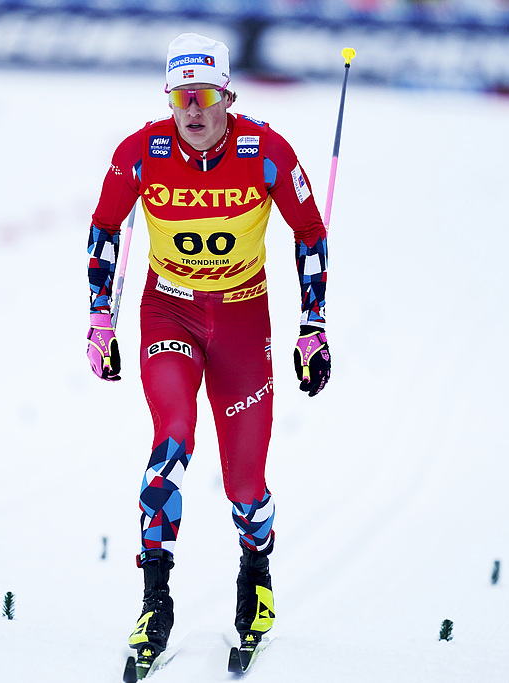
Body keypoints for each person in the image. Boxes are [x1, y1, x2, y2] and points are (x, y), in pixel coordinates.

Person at [85, 32, 331, 659]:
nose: (192, 110)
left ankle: (256, 577)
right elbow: (106, 226)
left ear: (228, 96)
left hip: (243, 322)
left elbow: (309, 232)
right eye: (180, 97)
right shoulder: (141, 152)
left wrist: (313, 326)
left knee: (245, 486)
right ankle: (155, 601)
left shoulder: (266, 151)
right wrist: (100, 319)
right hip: (169, 312)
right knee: (172, 440)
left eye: (203, 96)